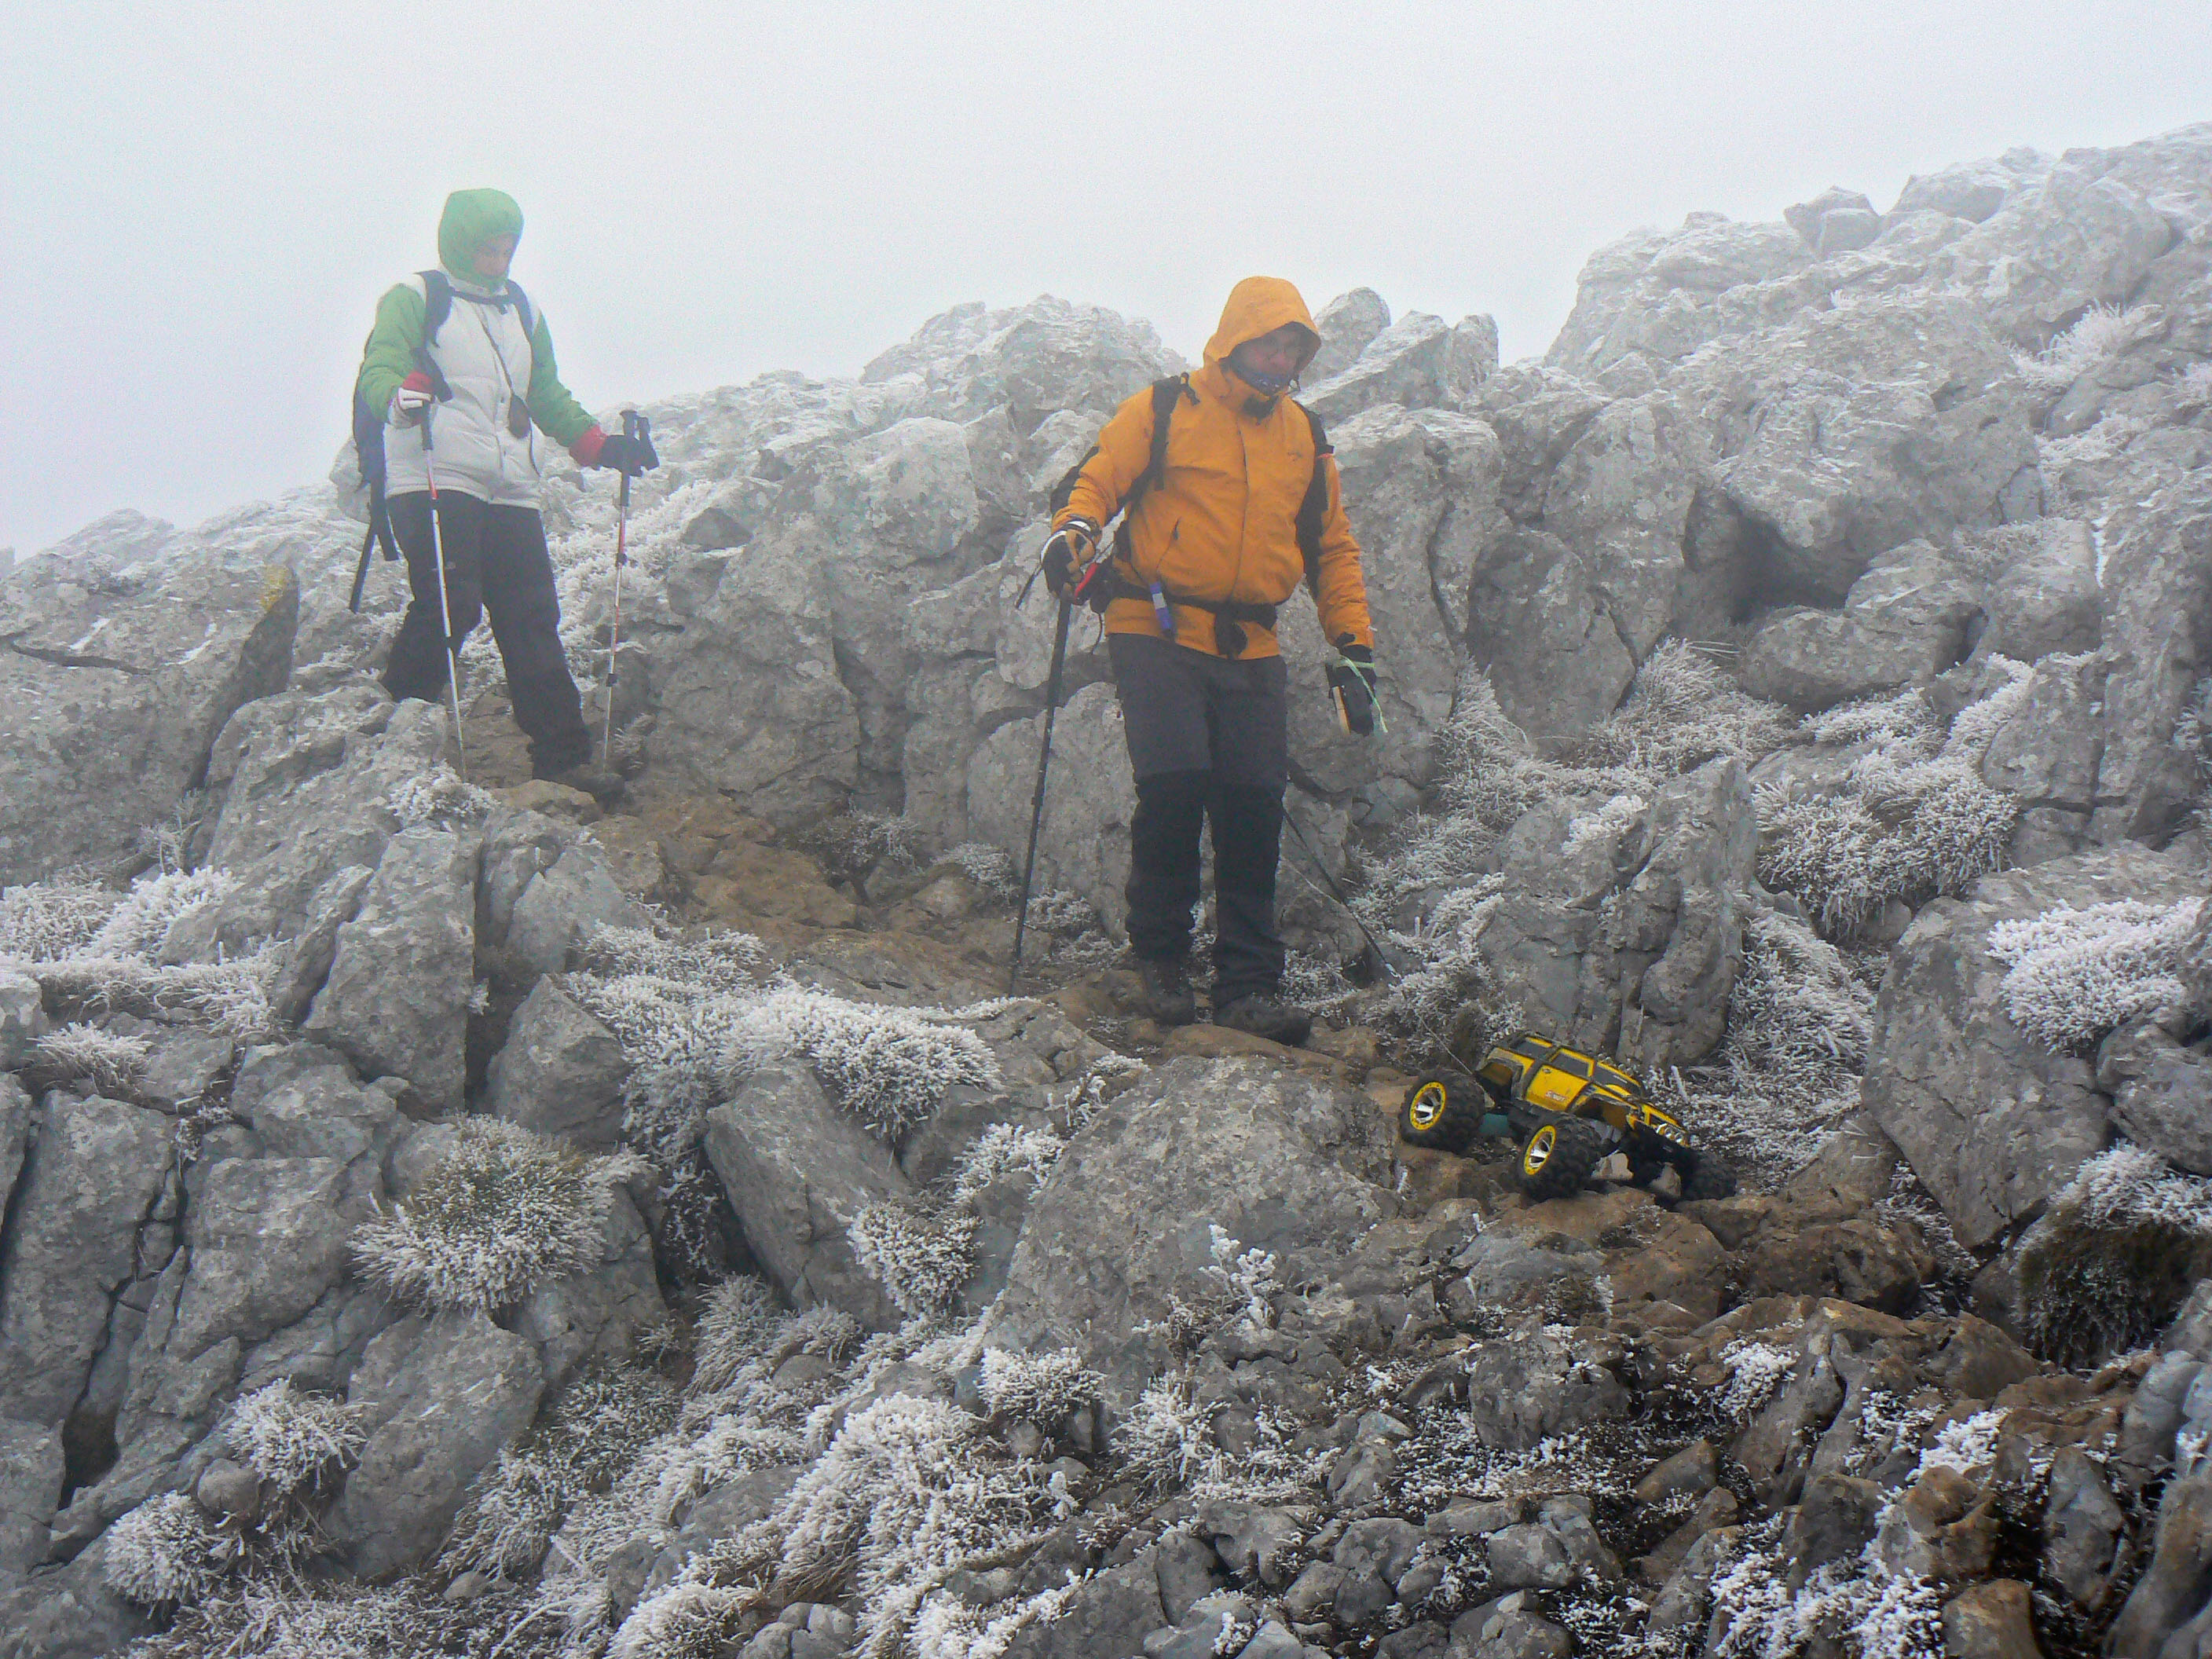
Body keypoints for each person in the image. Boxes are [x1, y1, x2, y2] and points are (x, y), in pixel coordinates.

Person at [1047, 276, 1379, 1046]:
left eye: (1293, 347)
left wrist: (1353, 650)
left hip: (1251, 641)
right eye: (1269, 343)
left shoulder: (1304, 436)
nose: (1281, 359)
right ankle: (1159, 958)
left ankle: (1247, 986)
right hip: (1152, 624)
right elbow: (1095, 480)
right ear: (1234, 340)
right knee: (1175, 782)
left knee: (1253, 804)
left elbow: (1331, 547)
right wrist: (1074, 532)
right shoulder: (1167, 407)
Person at [355, 187, 657, 793]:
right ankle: (390, 738)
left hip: (511, 484)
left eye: (507, 250)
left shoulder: (521, 307)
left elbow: (542, 391)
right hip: (435, 474)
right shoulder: (417, 296)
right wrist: (398, 396)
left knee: (531, 615)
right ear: (459, 243)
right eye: (487, 250)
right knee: (453, 603)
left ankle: (563, 760)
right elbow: (379, 365)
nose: (498, 261)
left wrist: (599, 447)